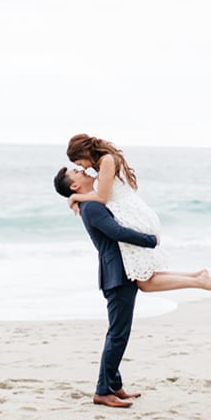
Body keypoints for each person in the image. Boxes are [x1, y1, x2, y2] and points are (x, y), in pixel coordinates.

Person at [66, 133, 211, 295]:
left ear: (84, 152)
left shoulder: (107, 160)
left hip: (131, 217)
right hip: (132, 213)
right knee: (146, 278)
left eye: (80, 163)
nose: (84, 168)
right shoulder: (104, 161)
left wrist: (75, 197)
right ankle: (197, 277)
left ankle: (199, 281)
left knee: (145, 282)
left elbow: (101, 197)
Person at [54, 167, 157, 407]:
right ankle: (102, 391)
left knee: (119, 331)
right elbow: (116, 232)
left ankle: (115, 385)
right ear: (74, 186)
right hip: (116, 275)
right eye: (76, 171)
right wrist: (151, 240)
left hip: (119, 271)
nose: (82, 170)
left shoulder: (90, 202)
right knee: (118, 333)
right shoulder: (91, 207)